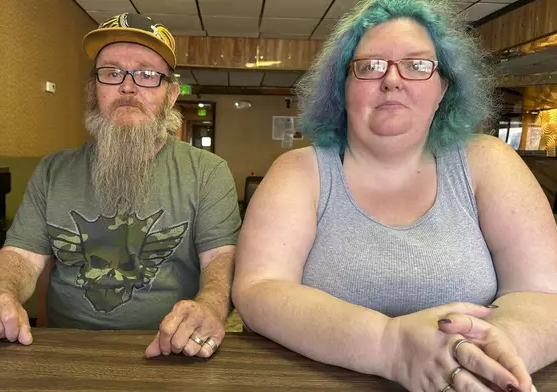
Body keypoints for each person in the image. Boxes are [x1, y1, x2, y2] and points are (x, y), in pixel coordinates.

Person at [233, 0, 556, 391]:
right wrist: (391, 345)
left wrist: (488, 353)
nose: (391, 80)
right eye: (369, 66)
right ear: (342, 88)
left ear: (443, 89)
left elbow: (544, 293)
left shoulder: (490, 161)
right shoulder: (299, 171)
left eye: (418, 65)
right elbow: (257, 290)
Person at [0, 13, 241, 359]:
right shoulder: (52, 171)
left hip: (171, 352)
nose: (128, 86)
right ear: (94, 90)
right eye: (111, 73)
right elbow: (20, 256)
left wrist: (209, 306)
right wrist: (1, 294)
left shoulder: (208, 173)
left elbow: (220, 260)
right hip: (64, 352)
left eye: (147, 74)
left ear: (169, 95)